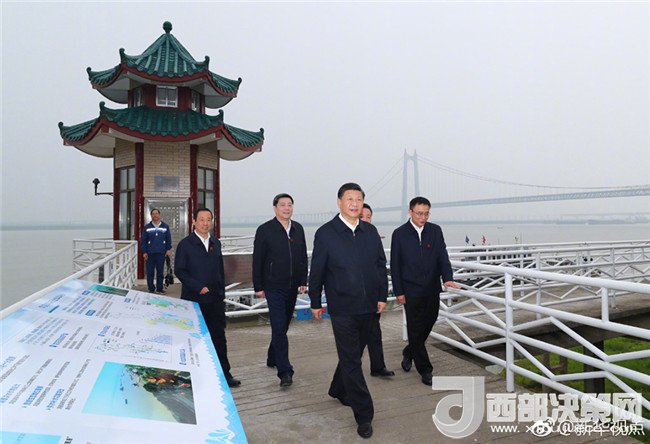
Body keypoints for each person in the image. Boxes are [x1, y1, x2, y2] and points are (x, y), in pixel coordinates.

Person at [309, 183, 388, 439]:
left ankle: (337, 388)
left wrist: (382, 296)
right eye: (349, 199)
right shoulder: (326, 233)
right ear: (339, 202)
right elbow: (317, 270)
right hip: (342, 307)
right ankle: (364, 414)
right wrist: (315, 301)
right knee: (353, 362)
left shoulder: (370, 231)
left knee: (352, 354)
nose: (354, 203)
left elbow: (380, 266)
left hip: (369, 307)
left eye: (359, 199)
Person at [390, 196, 460, 387]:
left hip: (431, 288)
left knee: (428, 323)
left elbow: (442, 256)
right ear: (410, 212)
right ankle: (425, 370)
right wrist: (399, 291)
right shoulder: (399, 234)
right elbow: (395, 265)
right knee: (414, 328)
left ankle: (409, 352)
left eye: (426, 214)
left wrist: (447, 278)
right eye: (420, 213)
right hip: (410, 290)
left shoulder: (435, 231)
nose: (423, 217)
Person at [174, 208, 240, 388]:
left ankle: (224, 374)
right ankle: (194, 376)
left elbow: (220, 270)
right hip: (194, 300)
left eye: (208, 219)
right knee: (194, 339)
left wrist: (221, 292)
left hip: (215, 300)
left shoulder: (215, 243)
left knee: (219, 338)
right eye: (202, 219)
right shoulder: (186, 244)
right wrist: (198, 287)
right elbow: (179, 270)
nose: (205, 223)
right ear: (194, 222)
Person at [253, 193, 308, 387]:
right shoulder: (265, 230)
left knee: (283, 325)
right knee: (278, 326)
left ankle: (272, 356)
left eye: (290, 205)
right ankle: (285, 371)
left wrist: (303, 280)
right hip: (273, 286)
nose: (287, 208)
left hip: (292, 286)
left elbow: (302, 257)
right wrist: (258, 286)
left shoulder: (298, 229)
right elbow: (258, 259)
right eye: (283, 205)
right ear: (275, 208)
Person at [359, 203, 394, 379]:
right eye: (362, 217)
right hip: (354, 298)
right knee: (357, 340)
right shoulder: (346, 238)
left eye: (369, 217)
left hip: (373, 296)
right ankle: (347, 375)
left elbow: (381, 266)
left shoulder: (373, 235)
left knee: (374, 333)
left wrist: (382, 296)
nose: (366, 220)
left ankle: (378, 367)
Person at [141, 208, 172, 294]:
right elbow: (143, 241)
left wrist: (168, 249)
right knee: (150, 272)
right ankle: (151, 289)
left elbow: (168, 239)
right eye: (153, 214)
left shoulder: (165, 226)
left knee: (160, 272)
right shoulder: (147, 227)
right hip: (150, 254)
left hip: (161, 253)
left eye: (156, 213)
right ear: (151, 215)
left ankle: (159, 289)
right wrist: (144, 252)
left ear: (159, 215)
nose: (155, 215)